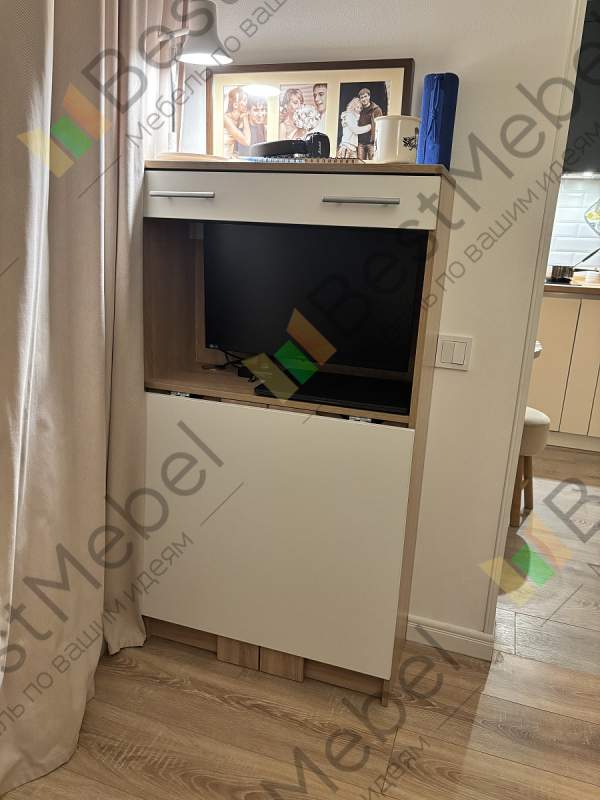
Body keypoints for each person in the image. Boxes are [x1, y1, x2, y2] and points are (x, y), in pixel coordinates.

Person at [223, 87, 251, 158]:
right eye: (244, 100)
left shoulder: (238, 120)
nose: (246, 103)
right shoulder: (225, 119)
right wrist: (245, 117)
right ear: (235, 105)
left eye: (246, 100)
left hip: (228, 158)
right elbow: (247, 141)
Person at [356, 87, 383, 161]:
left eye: (365, 96)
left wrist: (377, 141)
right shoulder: (358, 109)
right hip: (360, 142)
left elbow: (380, 126)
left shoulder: (376, 110)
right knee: (360, 163)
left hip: (371, 142)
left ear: (369, 96)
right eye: (362, 97)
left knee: (373, 163)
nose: (364, 99)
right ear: (360, 99)